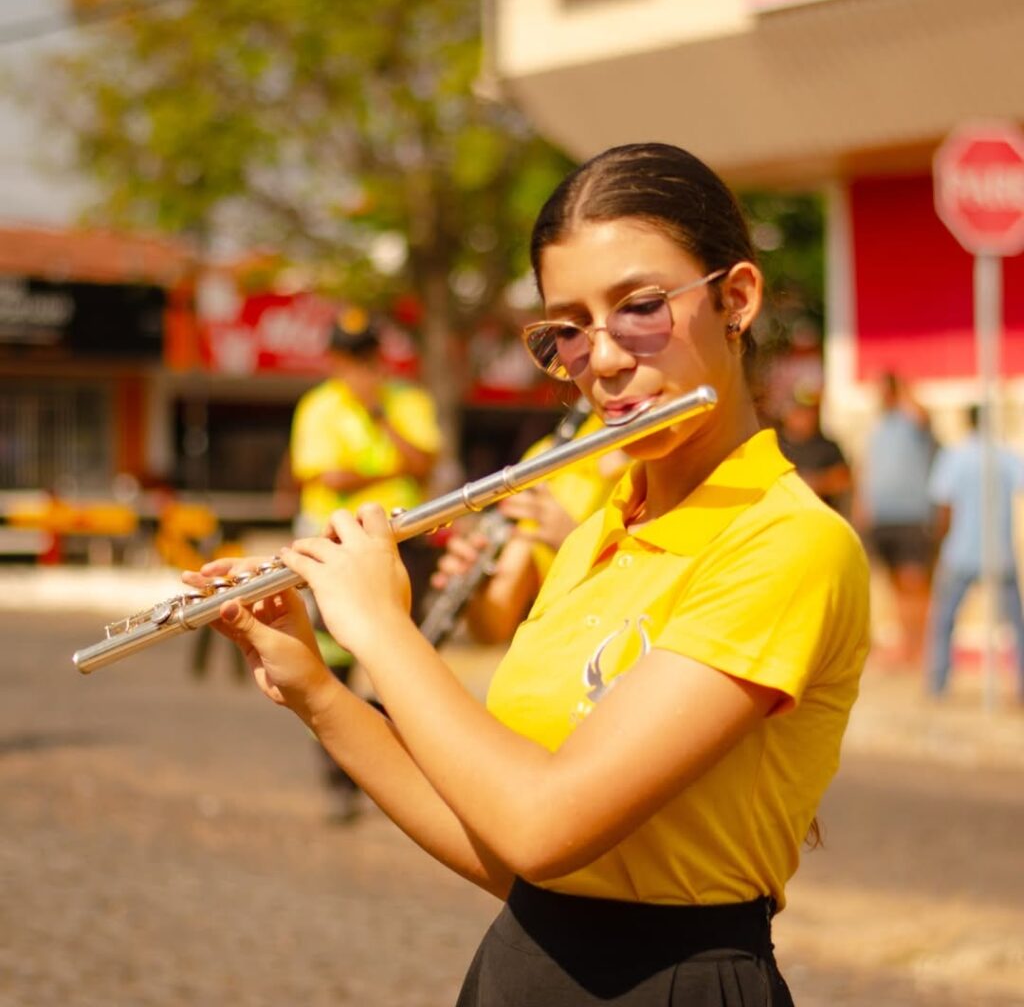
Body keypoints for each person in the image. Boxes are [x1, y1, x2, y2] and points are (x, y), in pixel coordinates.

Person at [188, 142, 870, 1005]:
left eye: (642, 308)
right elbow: (507, 847)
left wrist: (383, 628)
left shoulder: (788, 543)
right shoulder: (594, 535)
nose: (606, 359)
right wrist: (318, 689)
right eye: (570, 329)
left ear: (735, 299)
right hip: (524, 969)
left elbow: (543, 825)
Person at [288, 308, 441, 820]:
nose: (359, 368)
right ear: (333, 359)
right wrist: (386, 466)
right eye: (349, 357)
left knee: (403, 662)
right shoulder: (317, 407)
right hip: (334, 550)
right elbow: (323, 477)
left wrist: (378, 419)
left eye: (367, 356)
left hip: (403, 547)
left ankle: (401, 773)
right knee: (333, 666)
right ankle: (341, 776)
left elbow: (422, 463)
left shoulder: (409, 401)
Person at [434, 401, 630, 646]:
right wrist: (474, 588)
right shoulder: (548, 454)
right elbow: (493, 627)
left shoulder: (677, 455)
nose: (605, 363)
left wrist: (576, 542)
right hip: (559, 657)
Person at [927, 404, 1024, 703]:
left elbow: (944, 505)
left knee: (944, 620)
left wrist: (937, 542)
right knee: (1016, 625)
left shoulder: (955, 457)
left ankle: (937, 683)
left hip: (960, 551)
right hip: (999, 552)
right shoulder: (1005, 455)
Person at [856, 371, 938, 670]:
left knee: (915, 585)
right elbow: (867, 470)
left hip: (912, 516)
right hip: (883, 519)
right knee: (895, 588)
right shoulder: (879, 427)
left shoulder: (913, 422)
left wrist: (902, 388)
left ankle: (924, 649)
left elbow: (923, 414)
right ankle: (908, 647)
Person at [775, 383, 853, 518]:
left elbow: (844, 478)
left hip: (822, 518)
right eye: (800, 411)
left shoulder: (828, 446)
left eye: (810, 412)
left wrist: (817, 483)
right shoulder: (777, 446)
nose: (805, 417)